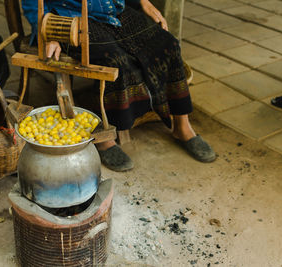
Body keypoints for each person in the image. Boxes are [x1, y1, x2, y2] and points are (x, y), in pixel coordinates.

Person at [22, 0, 216, 171]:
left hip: (112, 11)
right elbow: (32, 3)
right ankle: (106, 139)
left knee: (168, 45)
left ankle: (182, 126)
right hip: (69, 19)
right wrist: (49, 32)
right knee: (114, 59)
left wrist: (144, 2)